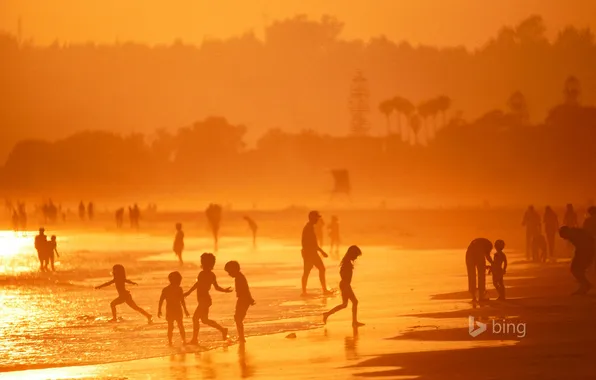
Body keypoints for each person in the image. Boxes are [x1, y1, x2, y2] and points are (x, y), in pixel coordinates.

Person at [184, 253, 231, 345]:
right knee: (205, 320)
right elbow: (216, 288)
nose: (202, 265)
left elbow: (197, 285)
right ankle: (223, 330)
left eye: (204, 263)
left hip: (204, 300)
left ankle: (194, 339)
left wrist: (188, 292)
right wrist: (224, 290)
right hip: (205, 300)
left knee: (195, 319)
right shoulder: (212, 275)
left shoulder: (202, 274)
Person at [323, 245, 364, 327]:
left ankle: (327, 314)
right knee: (354, 302)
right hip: (345, 285)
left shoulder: (346, 261)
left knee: (344, 304)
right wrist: (346, 285)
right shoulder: (347, 263)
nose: (356, 258)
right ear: (352, 254)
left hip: (345, 284)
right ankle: (354, 322)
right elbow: (343, 274)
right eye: (356, 255)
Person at [301, 211, 331, 296]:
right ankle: (324, 290)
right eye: (317, 218)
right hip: (310, 253)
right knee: (320, 269)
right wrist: (322, 252)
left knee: (307, 271)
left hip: (309, 252)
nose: (318, 219)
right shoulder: (308, 228)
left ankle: (304, 292)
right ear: (312, 218)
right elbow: (312, 243)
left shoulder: (309, 227)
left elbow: (312, 243)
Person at [224, 261, 255, 342]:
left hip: (243, 299)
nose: (229, 274)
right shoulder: (239, 277)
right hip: (242, 299)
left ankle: (241, 337)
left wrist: (250, 299)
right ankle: (241, 337)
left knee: (238, 318)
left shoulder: (240, 278)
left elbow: (245, 289)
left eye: (229, 272)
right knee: (238, 318)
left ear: (234, 270)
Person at [559, 226, 595, 295]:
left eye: (564, 237)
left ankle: (585, 285)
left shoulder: (576, 235)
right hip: (584, 252)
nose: (565, 239)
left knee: (576, 269)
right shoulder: (575, 233)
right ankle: (585, 285)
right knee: (577, 270)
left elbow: (587, 243)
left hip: (585, 253)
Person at [158, 271, 190, 346]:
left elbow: (161, 300)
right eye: (179, 280)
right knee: (180, 326)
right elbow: (182, 301)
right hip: (177, 310)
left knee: (171, 327)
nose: (180, 282)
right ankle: (183, 341)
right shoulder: (178, 289)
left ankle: (170, 342)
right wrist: (185, 310)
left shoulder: (166, 289)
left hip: (170, 310)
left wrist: (159, 310)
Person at [466, 238, 494, 303]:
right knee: (481, 275)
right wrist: (493, 263)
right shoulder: (488, 245)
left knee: (471, 276)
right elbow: (487, 256)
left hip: (469, 254)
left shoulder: (478, 243)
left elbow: (486, 256)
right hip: (476, 253)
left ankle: (474, 297)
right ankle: (481, 296)